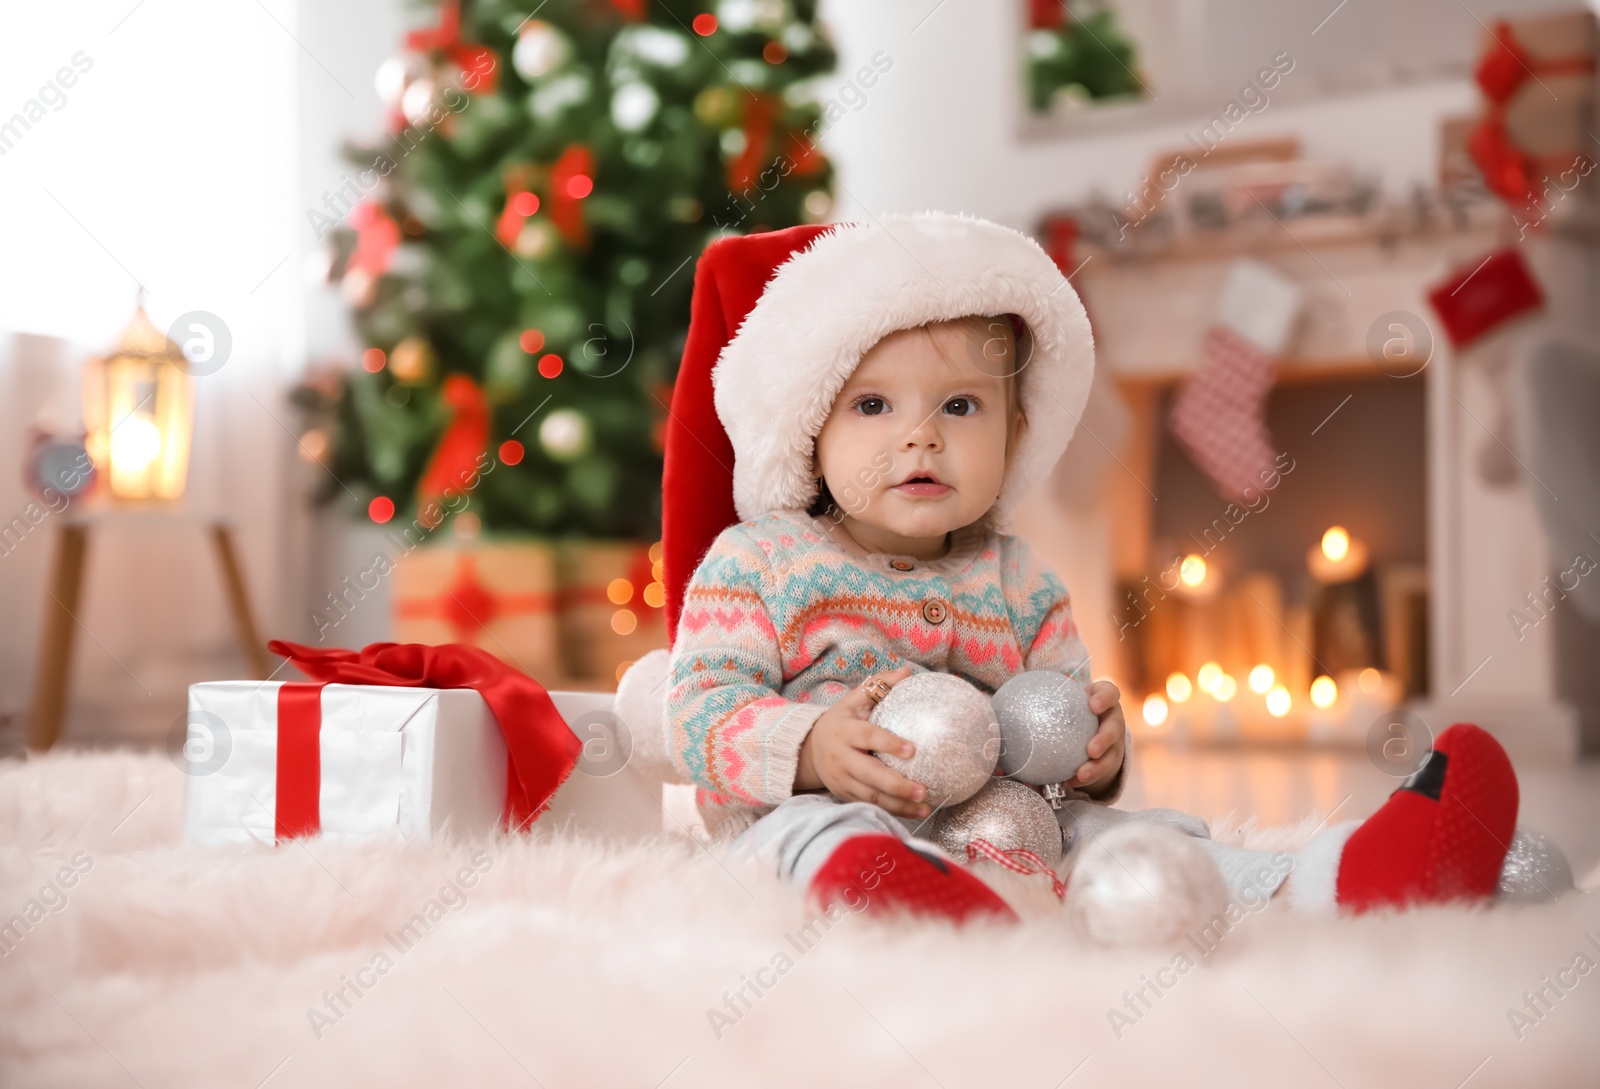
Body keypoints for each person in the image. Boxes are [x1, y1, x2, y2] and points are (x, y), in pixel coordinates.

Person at [661, 213, 1518, 925]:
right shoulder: (762, 561)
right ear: (810, 429)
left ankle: (1342, 879)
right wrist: (808, 747)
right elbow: (699, 711)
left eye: (960, 405)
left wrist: (1099, 754)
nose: (919, 435)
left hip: (1012, 822)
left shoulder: (1019, 578)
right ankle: (890, 894)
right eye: (874, 405)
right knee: (805, 837)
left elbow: (1067, 711)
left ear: (1012, 433)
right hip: (820, 808)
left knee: (1138, 847)